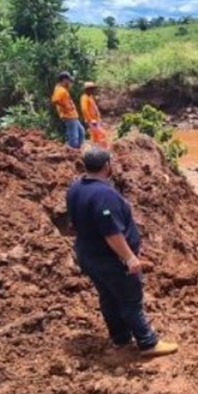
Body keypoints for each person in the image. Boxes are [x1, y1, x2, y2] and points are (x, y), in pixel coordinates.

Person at [65, 146, 178, 358]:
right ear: (107, 166)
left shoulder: (76, 187)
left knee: (108, 297)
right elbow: (111, 233)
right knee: (130, 300)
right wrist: (129, 257)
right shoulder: (104, 195)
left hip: (88, 255)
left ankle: (120, 338)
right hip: (110, 259)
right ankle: (147, 342)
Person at [52, 71, 86, 149]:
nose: (69, 82)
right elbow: (55, 100)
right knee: (74, 136)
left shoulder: (62, 89)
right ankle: (72, 150)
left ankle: (77, 149)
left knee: (81, 132)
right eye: (68, 80)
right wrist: (66, 106)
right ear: (64, 80)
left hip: (72, 115)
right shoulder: (60, 89)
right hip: (68, 115)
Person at [80, 82, 109, 148]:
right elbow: (84, 109)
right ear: (86, 89)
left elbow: (94, 107)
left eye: (93, 89)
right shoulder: (84, 98)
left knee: (96, 136)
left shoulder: (90, 97)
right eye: (91, 89)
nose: (93, 90)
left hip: (95, 120)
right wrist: (91, 120)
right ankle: (102, 150)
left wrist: (98, 117)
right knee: (102, 134)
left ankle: (96, 150)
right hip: (92, 121)